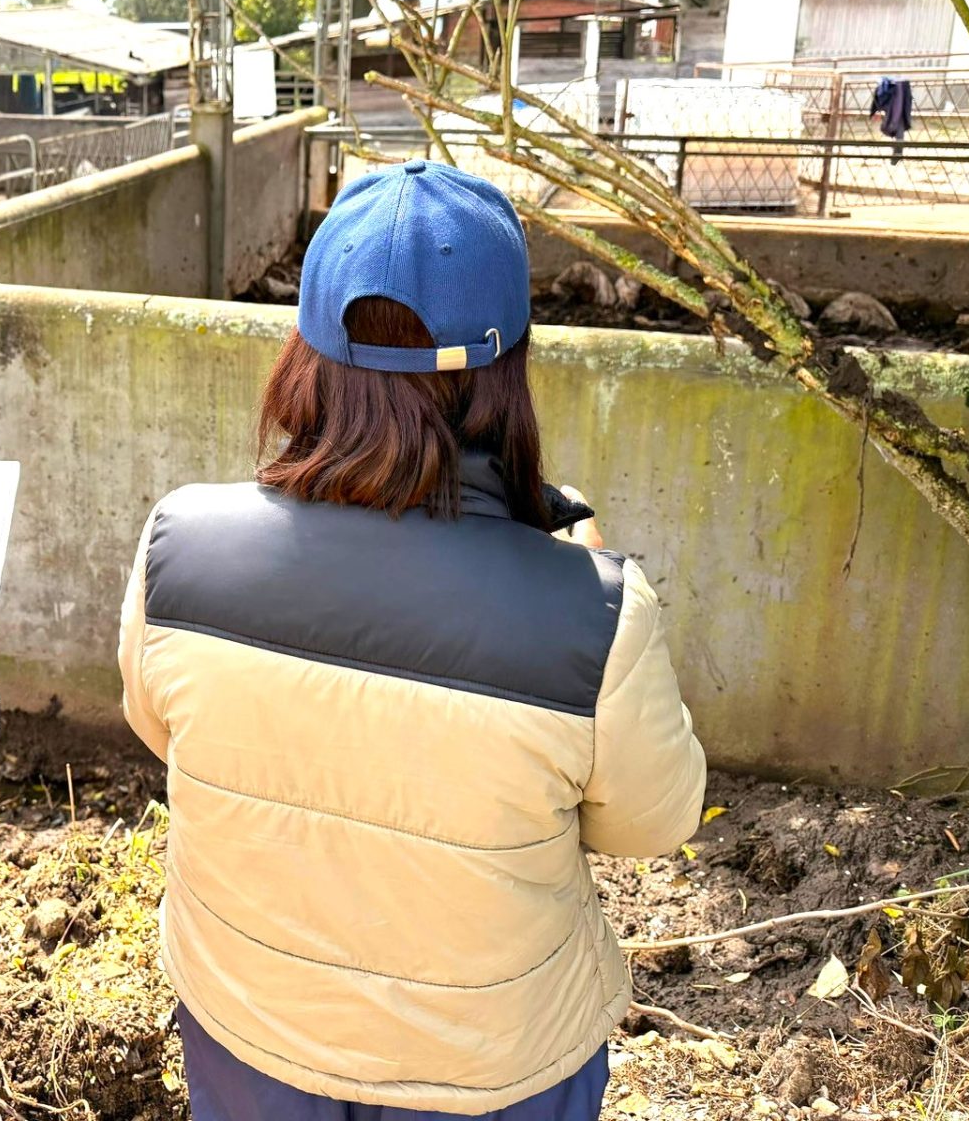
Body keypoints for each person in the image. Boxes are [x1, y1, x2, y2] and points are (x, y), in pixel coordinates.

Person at [118, 160, 707, 1120]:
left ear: (305, 352)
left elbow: (160, 725)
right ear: (507, 367)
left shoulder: (179, 547)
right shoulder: (594, 617)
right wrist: (581, 569)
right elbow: (653, 821)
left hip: (249, 1034)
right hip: (487, 1071)